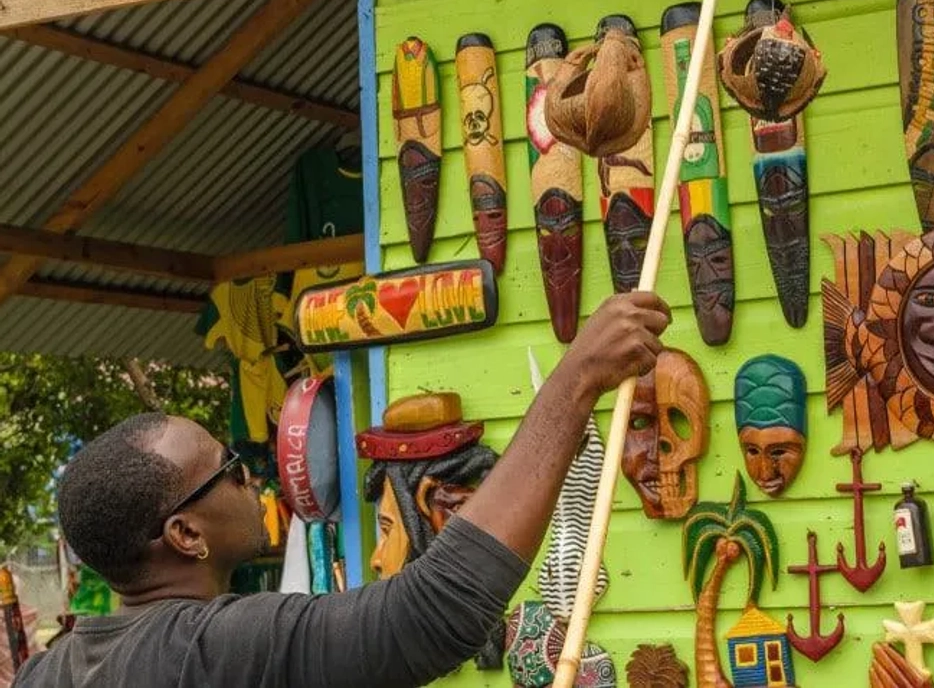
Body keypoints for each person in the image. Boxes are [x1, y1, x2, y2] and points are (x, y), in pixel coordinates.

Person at [15, 292, 671, 688]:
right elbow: (436, 611)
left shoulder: (50, 672)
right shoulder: (211, 648)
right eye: (230, 470)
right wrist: (576, 380)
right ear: (184, 534)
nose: (254, 477)